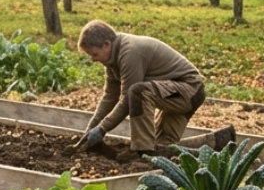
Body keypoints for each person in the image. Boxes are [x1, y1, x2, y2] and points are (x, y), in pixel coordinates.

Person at [73, 20, 234, 156]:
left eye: (94, 54)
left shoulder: (130, 53)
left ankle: (141, 151)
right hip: (170, 94)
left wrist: (102, 129)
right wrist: (89, 131)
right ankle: (220, 142)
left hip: (187, 91)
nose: (93, 59)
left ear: (106, 45)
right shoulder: (112, 60)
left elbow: (126, 101)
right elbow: (109, 97)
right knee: (161, 148)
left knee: (138, 93)